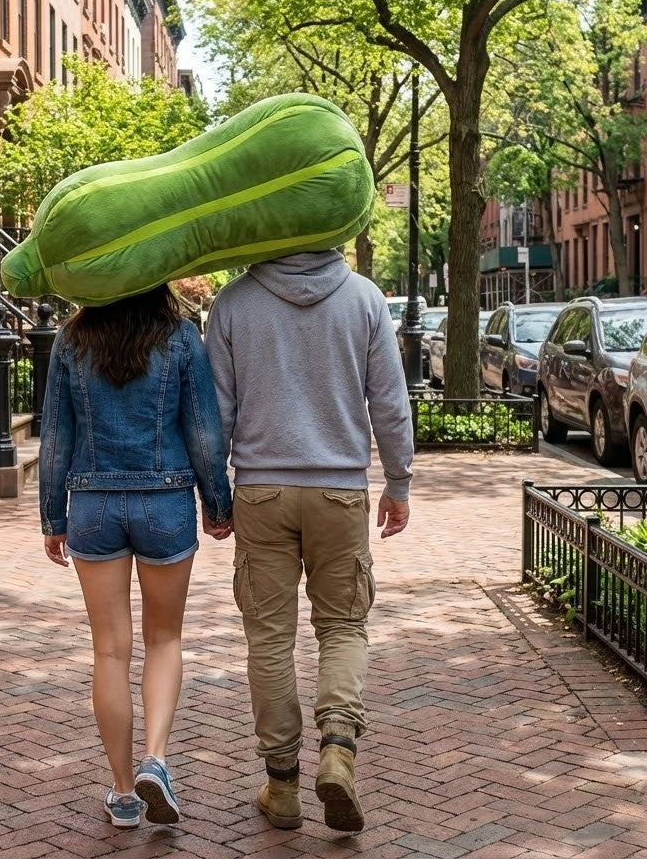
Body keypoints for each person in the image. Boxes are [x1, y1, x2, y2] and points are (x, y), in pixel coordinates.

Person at [205, 250, 413, 834]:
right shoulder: (366, 300)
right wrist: (397, 481)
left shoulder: (234, 302)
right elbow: (390, 404)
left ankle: (282, 786)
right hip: (340, 492)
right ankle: (339, 749)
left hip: (261, 491)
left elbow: (215, 411)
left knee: (269, 636)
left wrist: (214, 493)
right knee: (344, 627)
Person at [40, 284, 233, 828]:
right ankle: (156, 759)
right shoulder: (179, 338)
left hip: (94, 503)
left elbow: (55, 435)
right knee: (165, 638)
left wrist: (53, 517)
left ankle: (124, 793)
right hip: (165, 500)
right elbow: (203, 431)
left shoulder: (71, 340)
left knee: (109, 652)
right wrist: (218, 503)